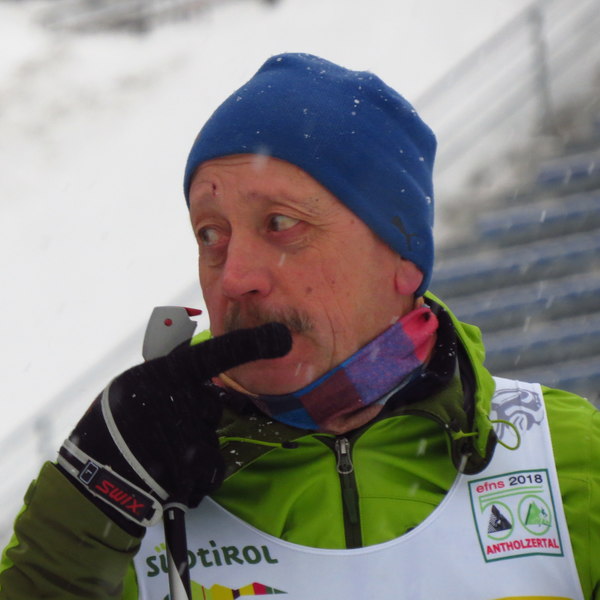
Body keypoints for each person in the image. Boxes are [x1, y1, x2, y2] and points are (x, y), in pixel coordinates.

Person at [0, 52, 598, 599]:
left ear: (402, 257)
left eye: (281, 224)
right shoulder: (137, 496)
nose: (235, 277)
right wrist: (91, 494)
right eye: (210, 233)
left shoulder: (566, 458)